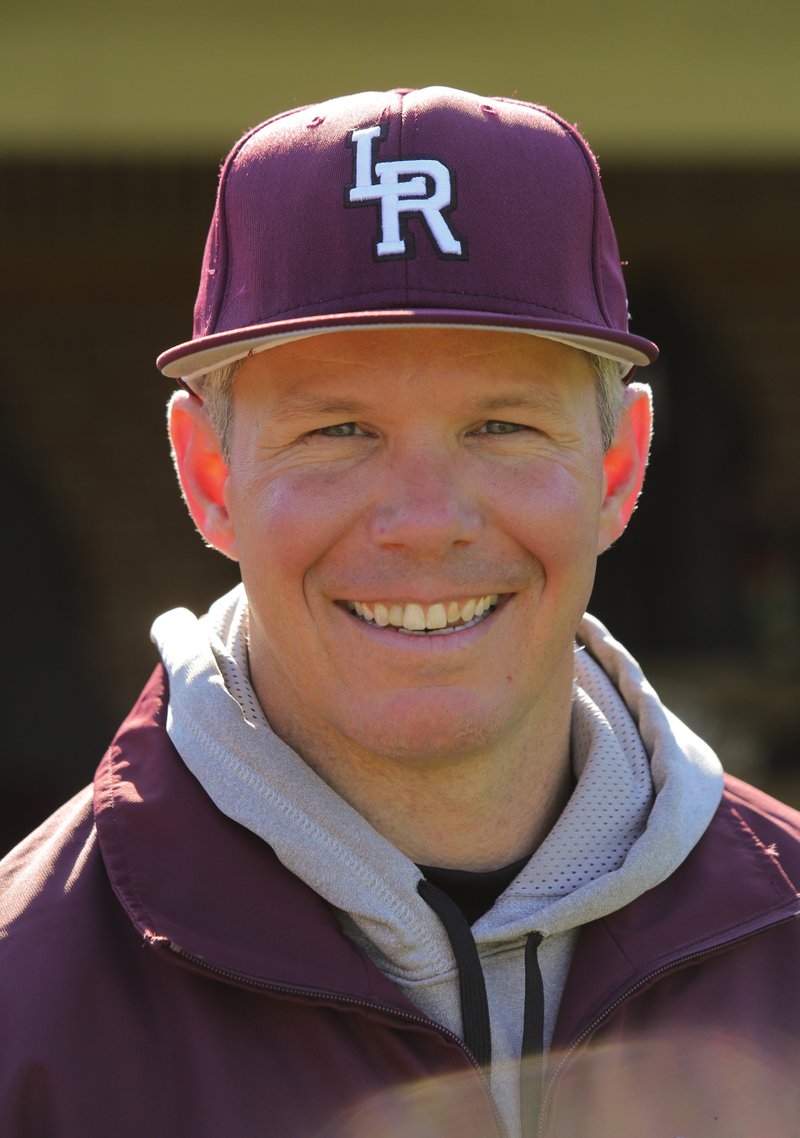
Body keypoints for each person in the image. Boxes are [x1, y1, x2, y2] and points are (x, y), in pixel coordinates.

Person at [2, 86, 799, 1138]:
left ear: (617, 468)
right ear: (207, 475)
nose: (424, 524)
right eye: (337, 430)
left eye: (501, 424)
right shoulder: (25, 1000)